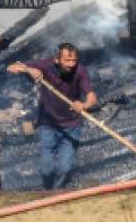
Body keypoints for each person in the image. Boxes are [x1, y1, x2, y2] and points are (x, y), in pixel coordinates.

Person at [7, 43, 98, 190]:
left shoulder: (80, 71)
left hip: (71, 126)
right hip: (48, 125)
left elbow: (92, 97)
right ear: (57, 59)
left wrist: (84, 105)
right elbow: (11, 67)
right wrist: (30, 70)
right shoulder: (46, 66)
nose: (71, 64)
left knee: (64, 168)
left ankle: (56, 194)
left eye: (74, 60)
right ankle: (47, 191)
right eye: (67, 60)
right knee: (46, 169)